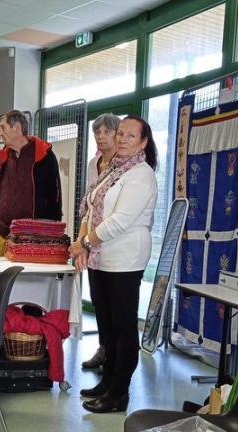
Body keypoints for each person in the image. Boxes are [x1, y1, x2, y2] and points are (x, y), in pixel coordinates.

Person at [69, 115, 158, 413]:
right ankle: (107, 382)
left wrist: (84, 243)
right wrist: (83, 242)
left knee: (123, 329)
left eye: (130, 136)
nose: (122, 139)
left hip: (125, 259)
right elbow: (90, 206)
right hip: (100, 258)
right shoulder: (112, 169)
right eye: (120, 133)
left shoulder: (141, 174)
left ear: (143, 142)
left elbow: (119, 222)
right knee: (106, 329)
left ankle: (119, 393)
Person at [0, 110, 62, 256]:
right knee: (0, 277)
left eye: (3, 128)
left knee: (26, 279)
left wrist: (51, 232)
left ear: (17, 128)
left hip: (30, 237)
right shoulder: (1, 157)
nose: (0, 133)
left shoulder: (45, 156)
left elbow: (54, 196)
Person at [81, 113, 120, 371]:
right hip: (92, 243)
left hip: (115, 245)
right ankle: (104, 348)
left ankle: (115, 355)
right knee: (98, 300)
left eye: (106, 131)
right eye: (97, 132)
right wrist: (82, 240)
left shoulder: (123, 165)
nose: (101, 136)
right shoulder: (94, 163)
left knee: (116, 306)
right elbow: (87, 204)